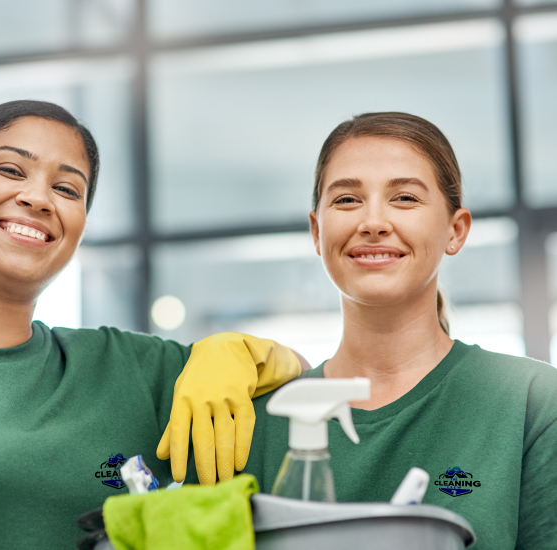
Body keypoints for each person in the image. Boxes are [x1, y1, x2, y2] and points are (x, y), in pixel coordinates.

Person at [0, 100, 307, 549]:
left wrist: (246, 354)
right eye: (12, 170)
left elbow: (318, 395)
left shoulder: (130, 369)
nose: (38, 198)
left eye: (68, 189)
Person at [187, 112, 557, 549]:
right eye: (346, 200)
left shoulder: (531, 403)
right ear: (316, 231)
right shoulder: (250, 421)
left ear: (455, 231)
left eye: (404, 198)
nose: (374, 222)